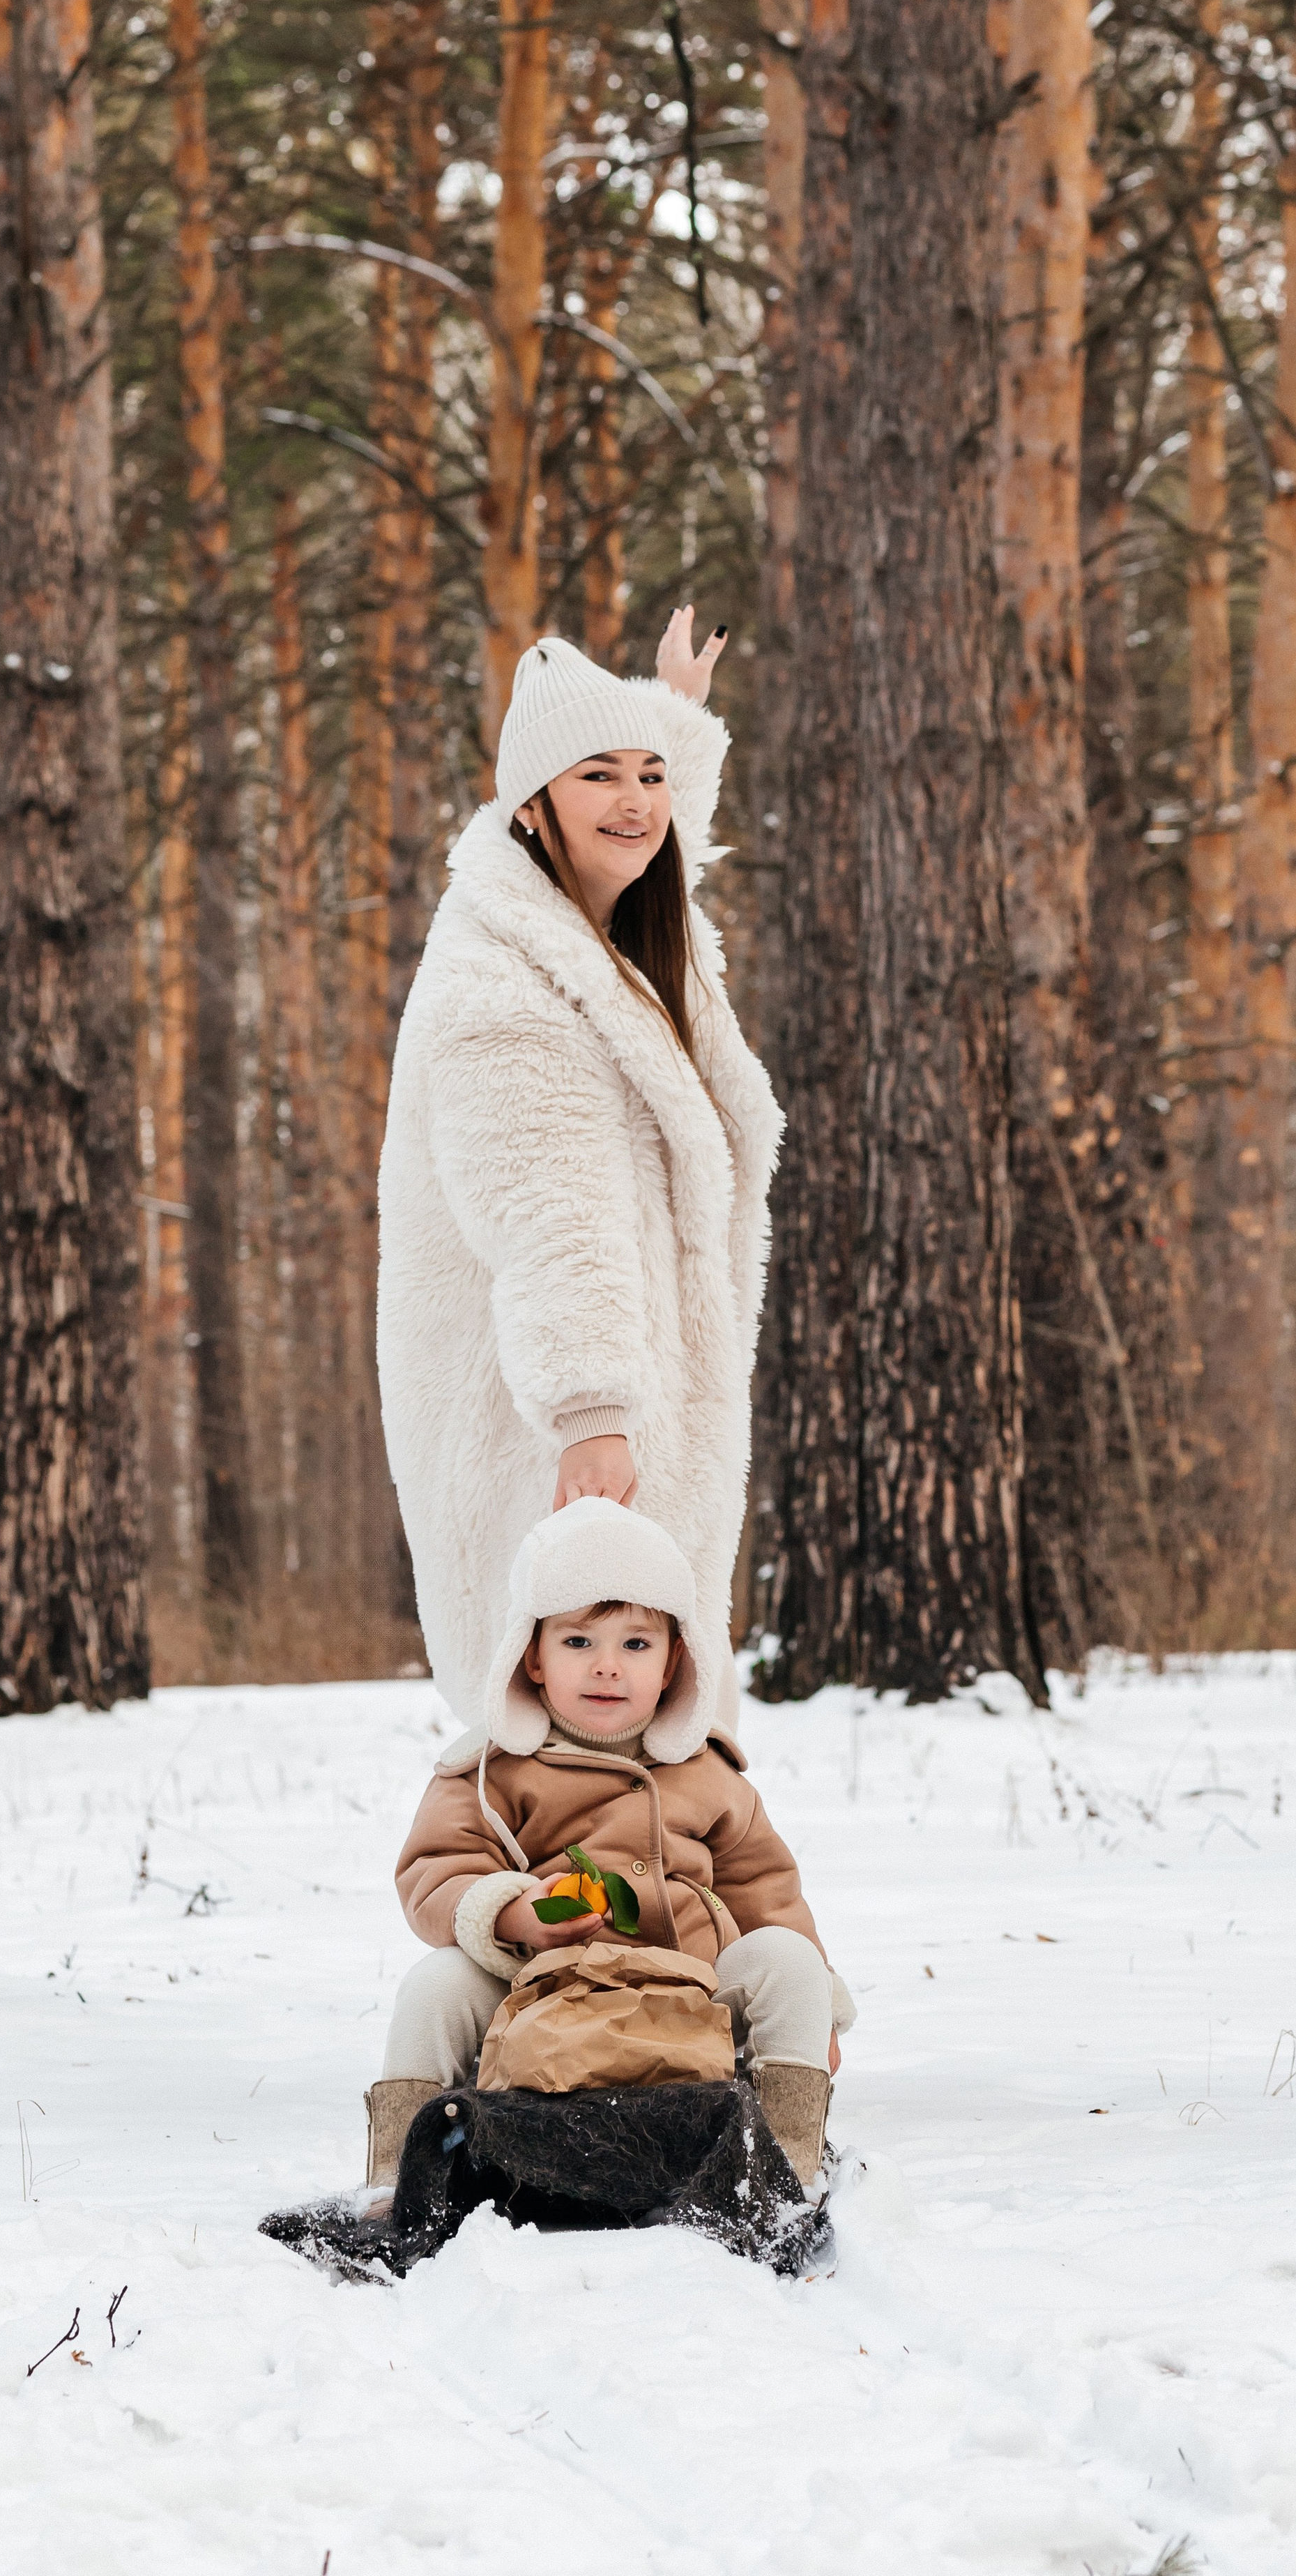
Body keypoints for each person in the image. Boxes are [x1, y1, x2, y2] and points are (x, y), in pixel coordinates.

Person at [376, 611, 781, 1746]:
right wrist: (591, 1413)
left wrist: (673, 717)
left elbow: (660, 839)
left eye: (649, 775)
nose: (636, 801)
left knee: (656, 1711)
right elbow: (548, 1214)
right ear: (530, 807)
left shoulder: (604, 934)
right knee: (579, 1714)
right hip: (548, 1410)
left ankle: (667, 1864)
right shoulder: (498, 984)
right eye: (598, 775)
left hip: (632, 1391)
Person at [365, 1499, 855, 2199]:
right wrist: (513, 1914)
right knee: (435, 1984)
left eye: (635, 1645)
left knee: (789, 1959)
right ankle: (399, 2181)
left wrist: (815, 2010)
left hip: (691, 1990)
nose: (606, 1668)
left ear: (674, 1660)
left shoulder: (709, 1772)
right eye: (577, 1643)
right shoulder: (490, 1769)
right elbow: (435, 1870)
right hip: (539, 1990)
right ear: (532, 1655)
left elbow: (766, 1891)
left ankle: (782, 2177)